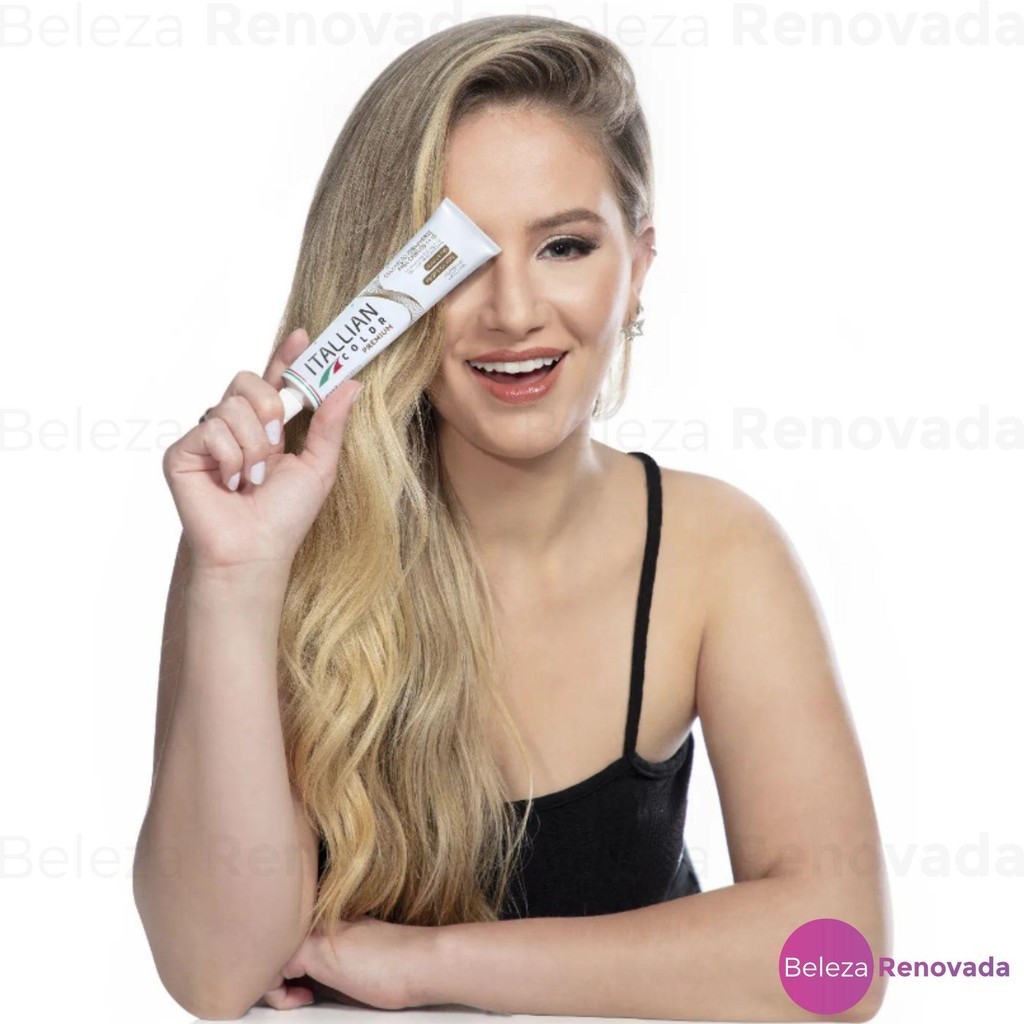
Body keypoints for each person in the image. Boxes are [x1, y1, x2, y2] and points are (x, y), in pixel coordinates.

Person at [132, 14, 890, 1022]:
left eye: (565, 245)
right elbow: (214, 975)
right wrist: (236, 581)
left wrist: (428, 963)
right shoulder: (262, 543)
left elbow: (837, 961)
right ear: (381, 289)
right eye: (456, 259)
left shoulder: (718, 552)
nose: (514, 310)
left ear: (638, 268)